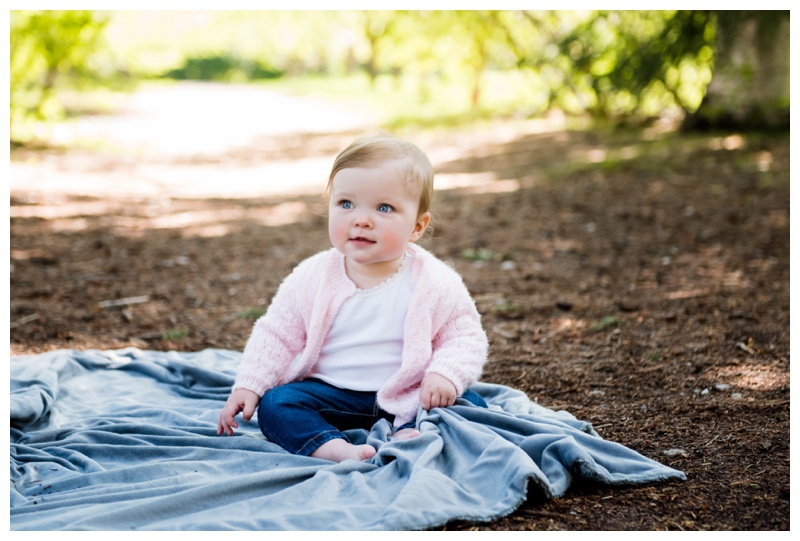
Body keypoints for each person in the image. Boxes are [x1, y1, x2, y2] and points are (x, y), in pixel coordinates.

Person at [217, 134, 489, 462]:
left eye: (384, 207)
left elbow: (464, 336)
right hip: (331, 395)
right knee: (276, 405)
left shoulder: (434, 281)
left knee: (471, 403)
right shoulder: (312, 276)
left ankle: (409, 429)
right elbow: (276, 334)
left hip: (409, 394)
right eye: (346, 204)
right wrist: (250, 384)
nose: (361, 219)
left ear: (417, 226)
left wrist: (445, 374)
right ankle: (333, 447)